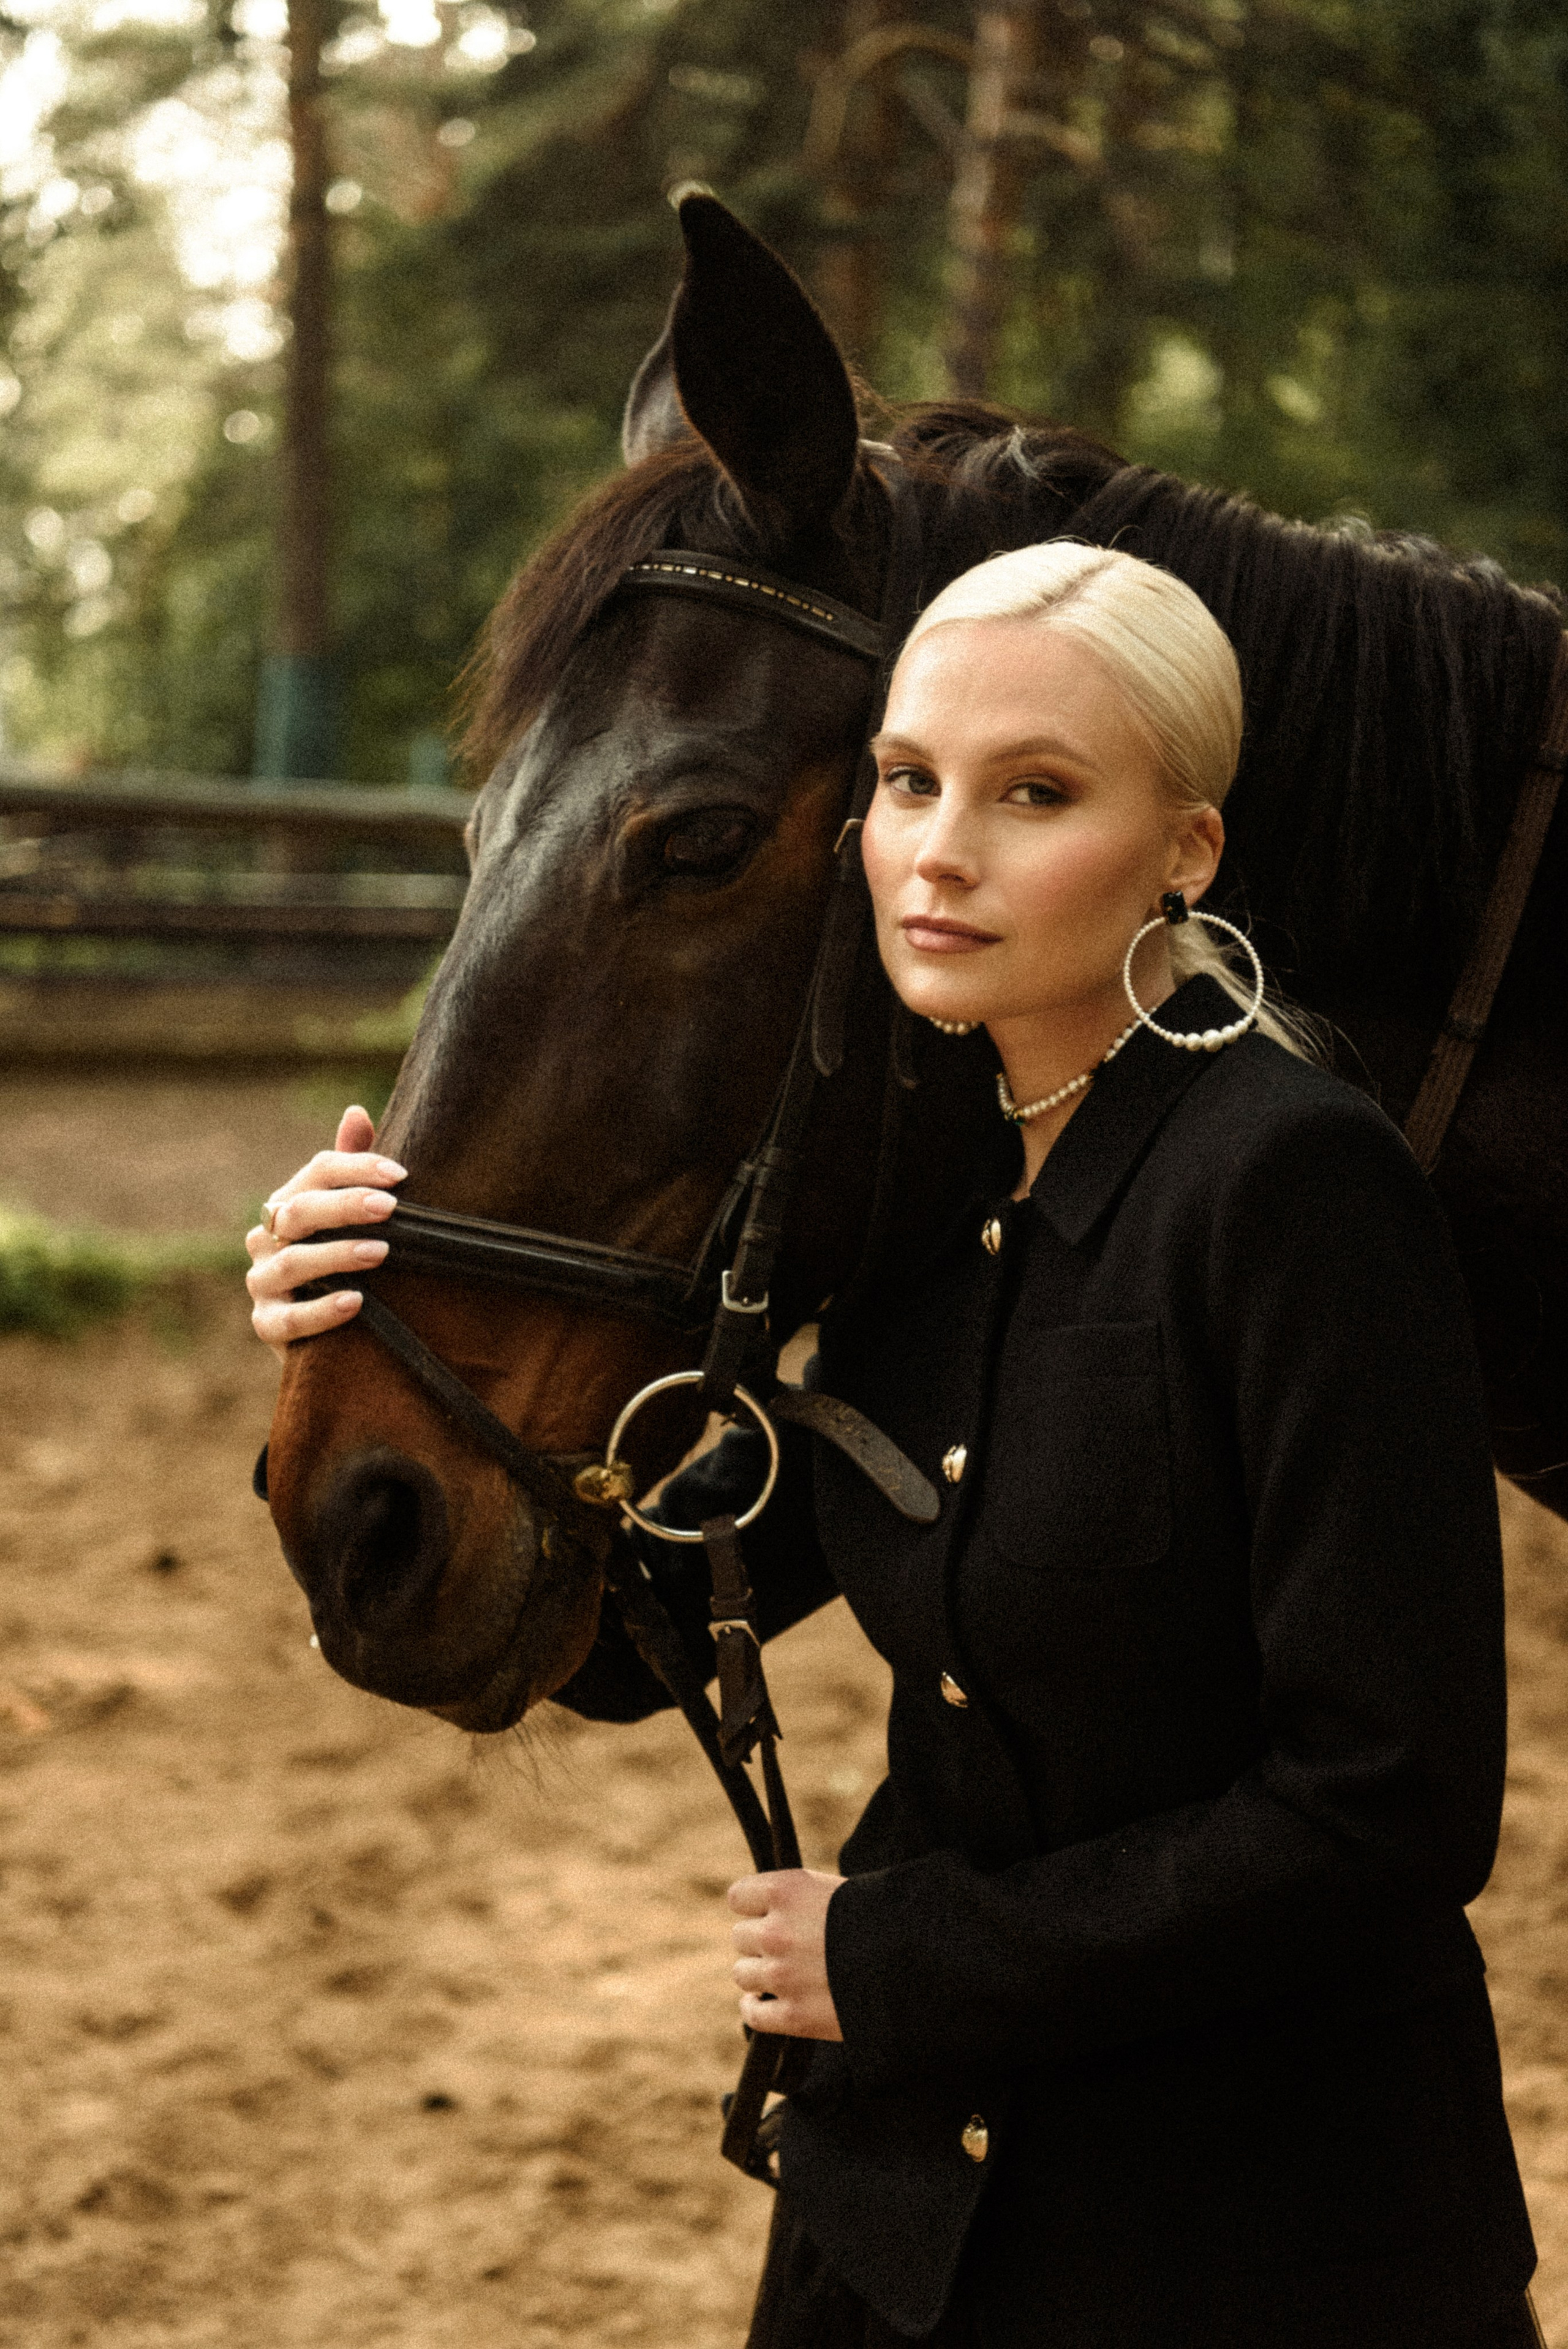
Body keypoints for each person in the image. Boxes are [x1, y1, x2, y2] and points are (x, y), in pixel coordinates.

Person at [246, 543, 1541, 2348]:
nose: (941, 851)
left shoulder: (1297, 1188)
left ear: (1187, 849)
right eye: (909, 780)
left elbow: (1391, 1808)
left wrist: (897, 1956)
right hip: (903, 2221)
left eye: (1037, 794)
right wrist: (362, 1321)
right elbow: (617, 1636)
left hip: (1257, 2246)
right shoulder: (928, 1208)